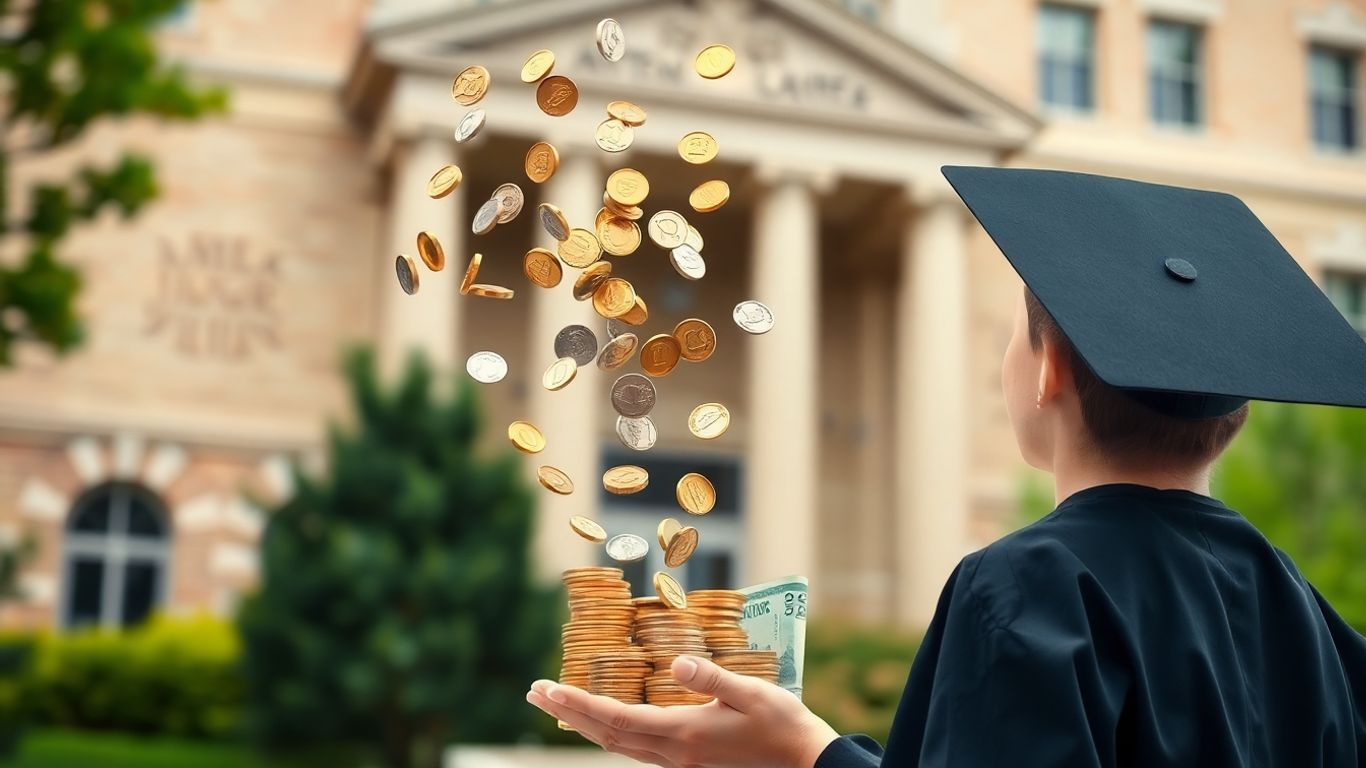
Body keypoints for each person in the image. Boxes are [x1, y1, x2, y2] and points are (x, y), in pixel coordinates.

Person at [526, 167, 1366, 767]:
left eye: (1011, 332)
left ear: (1049, 372)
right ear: (1234, 410)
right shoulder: (1307, 613)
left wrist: (807, 760)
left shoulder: (1031, 588)